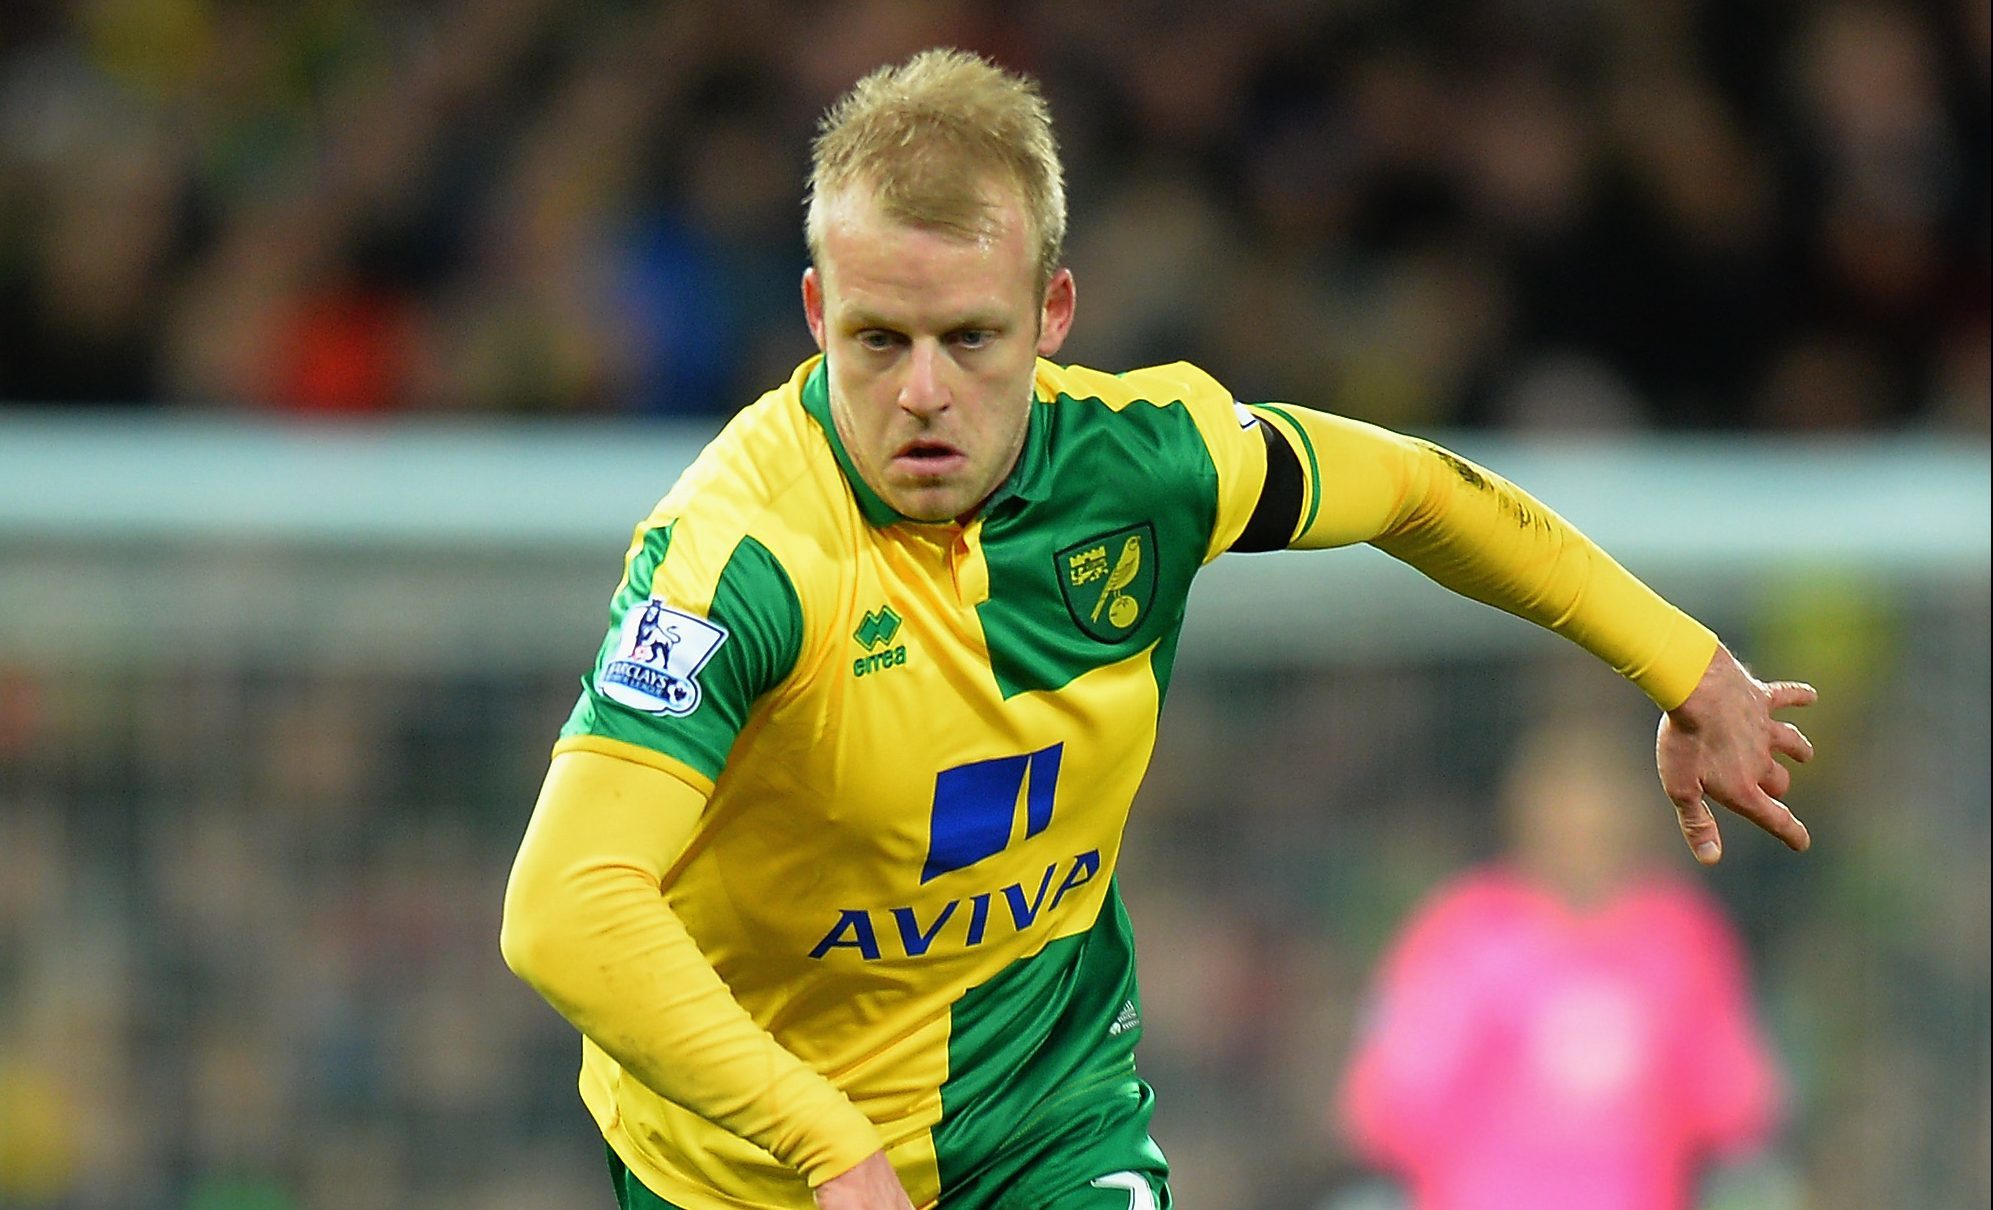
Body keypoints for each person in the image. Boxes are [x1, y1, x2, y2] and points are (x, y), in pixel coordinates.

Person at [499, 48, 1816, 1210]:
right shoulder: (735, 557)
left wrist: (1684, 662)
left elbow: (1412, 491)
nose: (922, 393)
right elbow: (562, 905)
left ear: (1054, 316)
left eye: (970, 337)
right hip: (747, 1169)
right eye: (876, 340)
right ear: (811, 315)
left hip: (1044, 1117)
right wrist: (826, 1144)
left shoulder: (1150, 465)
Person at [1335, 711, 1785, 1210]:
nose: (1582, 826)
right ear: (1522, 811)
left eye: (1600, 804)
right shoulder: (1462, 936)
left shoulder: (1681, 940)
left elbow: (1739, 1108)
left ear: (1635, 814)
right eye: (1564, 804)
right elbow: (1383, 1109)